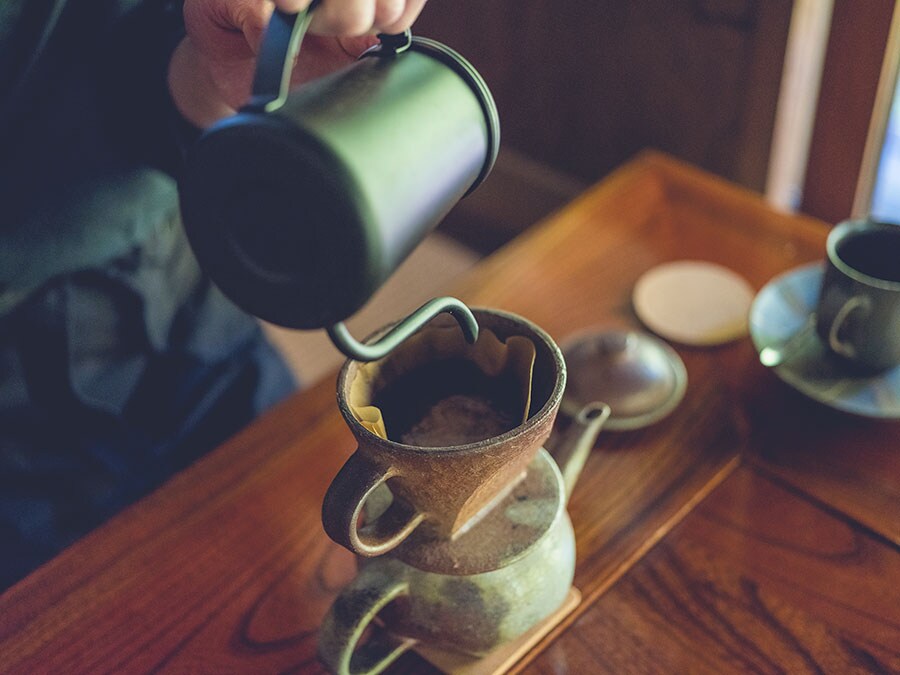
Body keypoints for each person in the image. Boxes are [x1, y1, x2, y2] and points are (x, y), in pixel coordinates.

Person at [0, 0, 427, 590]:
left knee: (310, 559)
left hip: (190, 292)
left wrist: (213, 69)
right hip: (17, 421)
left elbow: (115, 51)